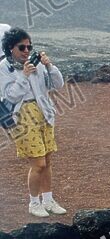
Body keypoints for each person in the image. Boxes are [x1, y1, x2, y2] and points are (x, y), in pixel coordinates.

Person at [0, 27, 67, 218]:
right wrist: (24, 76)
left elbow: (57, 84)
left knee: (47, 160)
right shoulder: (4, 68)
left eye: (29, 47)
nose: (27, 51)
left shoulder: (34, 63)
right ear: (10, 48)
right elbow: (11, 96)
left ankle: (48, 200)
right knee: (37, 163)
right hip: (21, 116)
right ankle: (34, 203)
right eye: (22, 47)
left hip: (43, 112)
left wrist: (49, 66)